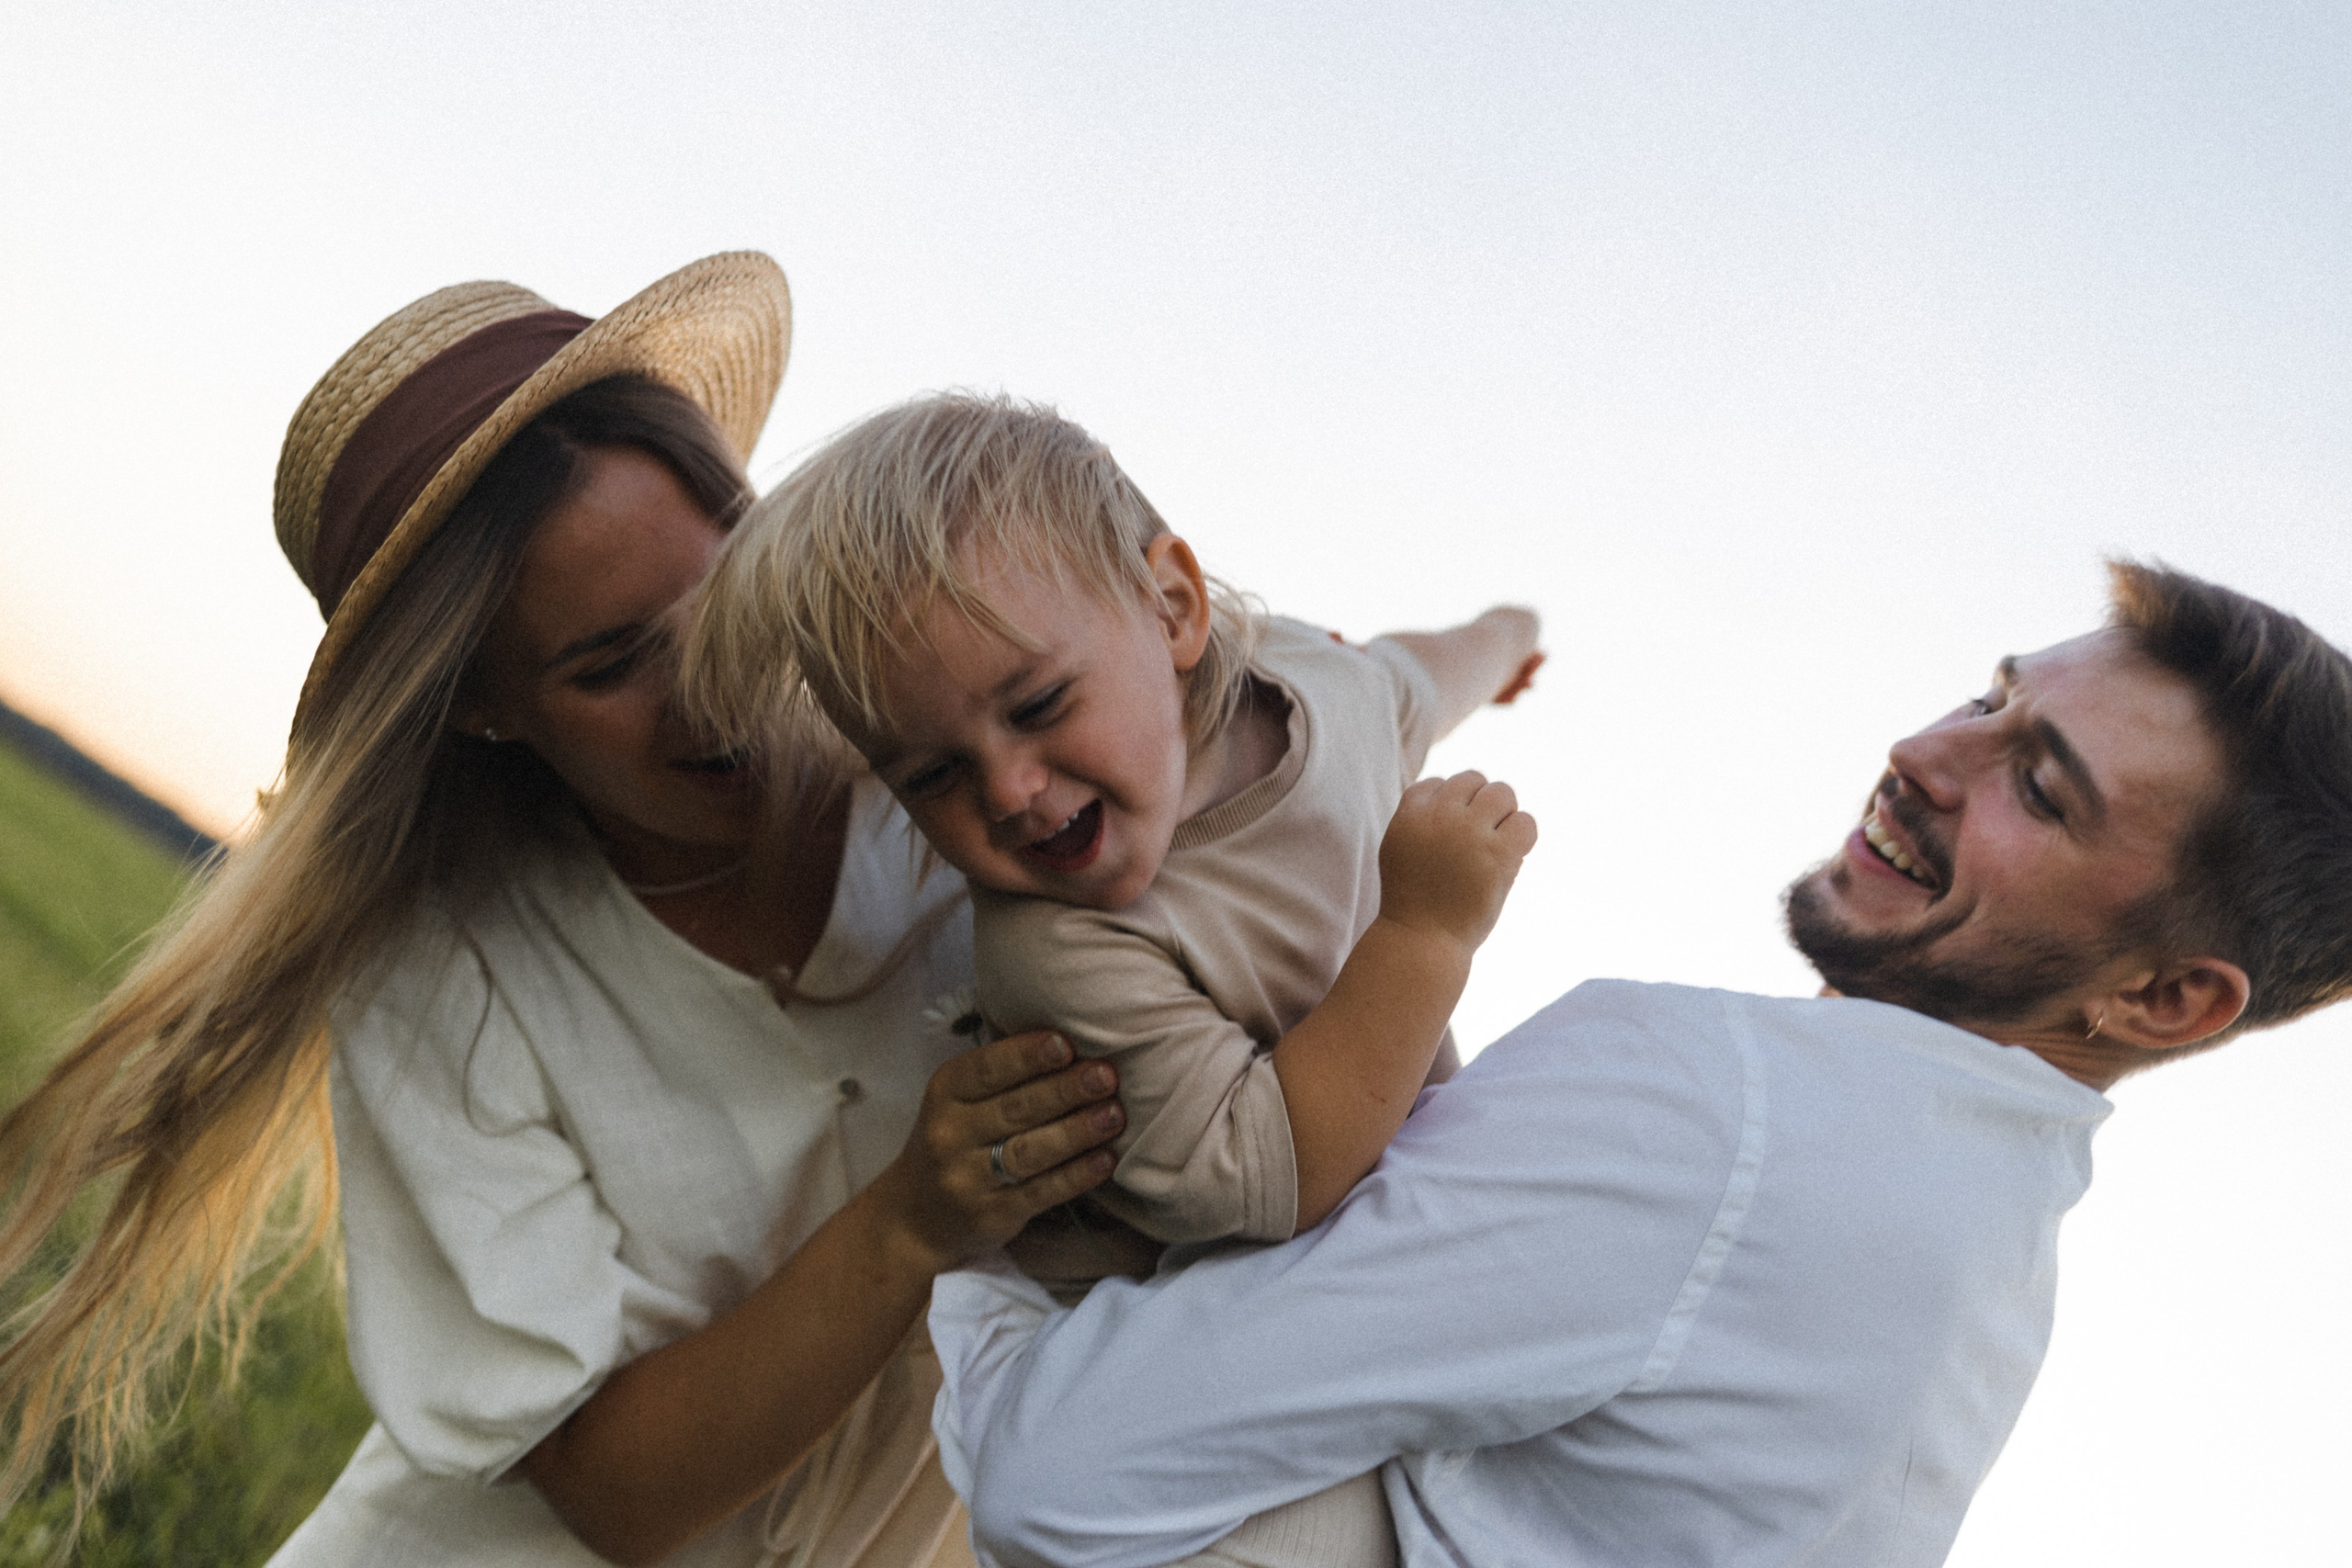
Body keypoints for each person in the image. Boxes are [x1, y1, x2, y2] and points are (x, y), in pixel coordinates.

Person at [0, 254, 1128, 1568]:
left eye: (716, 596)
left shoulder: (968, 787)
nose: (707, 688)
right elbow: (619, 1494)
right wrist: (913, 1214)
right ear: (482, 706)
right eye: (610, 665)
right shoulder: (440, 968)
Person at [929, 562, 2352, 1568]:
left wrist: (972, 1256)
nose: (1925, 752)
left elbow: (1058, 1477)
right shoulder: (1983, 1288)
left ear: (2165, 998)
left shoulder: (1712, 1102)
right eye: (1990, 698)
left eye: (2040, 784)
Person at [687, 393, 1544, 1567]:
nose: (1010, 791)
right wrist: (1427, 935)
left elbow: (1415, 676)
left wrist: (1505, 634)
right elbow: (1267, 1174)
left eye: (1038, 706)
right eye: (933, 774)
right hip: (1128, 1356)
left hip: (1331, 1274)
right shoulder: (1057, 947)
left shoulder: (1319, 688)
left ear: (1174, 607)